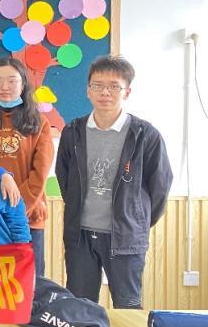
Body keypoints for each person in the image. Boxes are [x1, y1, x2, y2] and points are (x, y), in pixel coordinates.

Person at [55, 55, 172, 309]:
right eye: (97, 85)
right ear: (88, 90)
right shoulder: (73, 131)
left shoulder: (145, 135)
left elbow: (160, 186)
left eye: (114, 86)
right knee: (80, 307)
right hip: (80, 235)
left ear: (127, 91)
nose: (105, 92)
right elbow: (64, 178)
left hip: (125, 237)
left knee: (128, 306)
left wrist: (135, 219)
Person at [0, 57, 53, 276]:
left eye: (12, 80)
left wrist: (16, 212)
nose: (5, 87)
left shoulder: (39, 123)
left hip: (28, 217)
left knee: (30, 283)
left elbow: (40, 173)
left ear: (24, 84)